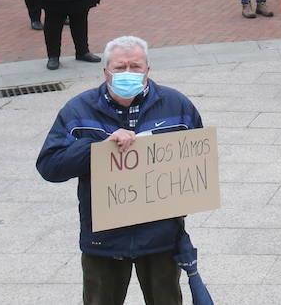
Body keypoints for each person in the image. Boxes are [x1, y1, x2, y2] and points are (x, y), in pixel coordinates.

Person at [36, 35, 203, 303]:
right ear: (106, 72)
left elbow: (196, 159)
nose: (128, 73)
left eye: (135, 67)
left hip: (160, 237)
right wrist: (96, 149)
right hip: (104, 239)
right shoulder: (78, 110)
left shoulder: (177, 105)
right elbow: (49, 165)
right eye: (119, 67)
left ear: (148, 70)